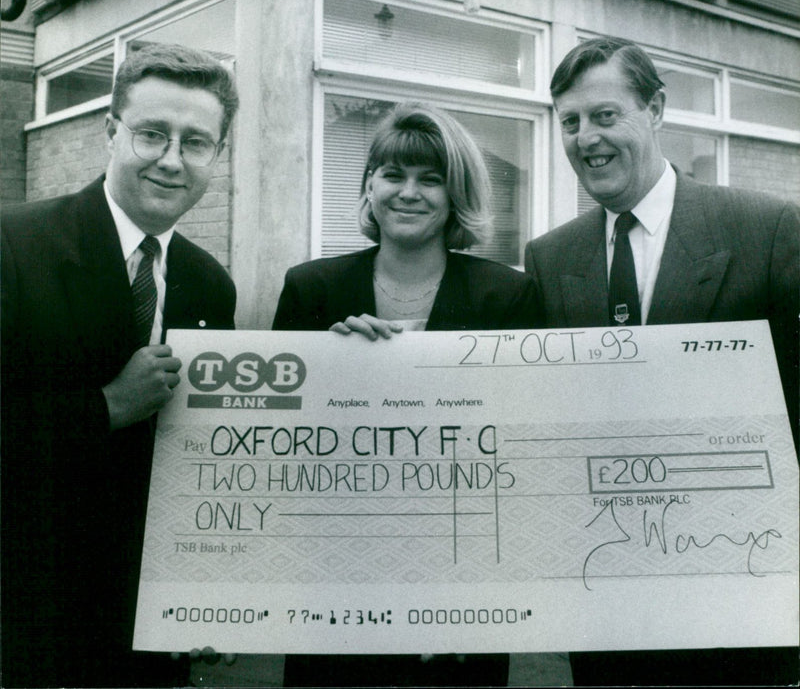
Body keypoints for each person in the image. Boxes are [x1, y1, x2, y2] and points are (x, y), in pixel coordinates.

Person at [523, 35, 799, 688]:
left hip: (740, 598)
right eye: (570, 122)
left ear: (657, 110)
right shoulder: (549, 258)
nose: (585, 137)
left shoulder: (768, 230)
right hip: (608, 603)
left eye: (605, 115)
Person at [274, 101, 542, 686]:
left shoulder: (510, 296)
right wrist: (327, 365)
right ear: (369, 186)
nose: (408, 193)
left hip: (464, 591)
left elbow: (524, 452)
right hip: (334, 588)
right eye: (393, 175)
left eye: (430, 179)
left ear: (456, 196)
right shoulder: (310, 288)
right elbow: (277, 446)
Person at [1, 43, 239, 689]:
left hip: (151, 633)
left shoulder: (211, 285)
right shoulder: (13, 246)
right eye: (152, 135)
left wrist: (216, 591)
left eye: (196, 143)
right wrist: (106, 406)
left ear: (216, 156)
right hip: (28, 622)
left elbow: (206, 467)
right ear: (111, 132)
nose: (171, 159)